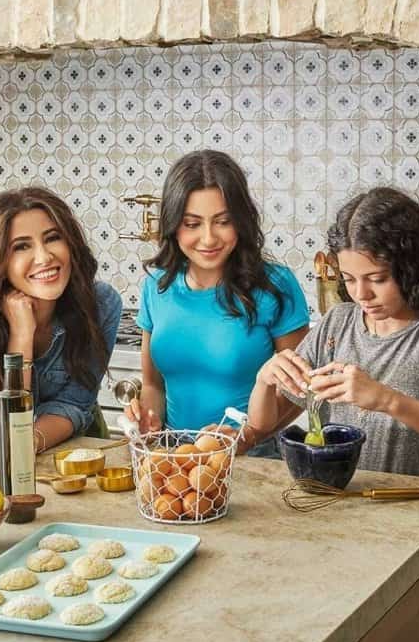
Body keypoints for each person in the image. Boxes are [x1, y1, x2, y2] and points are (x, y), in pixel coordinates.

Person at [247, 187, 419, 477]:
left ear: (412, 266)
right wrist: (264, 381)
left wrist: (387, 400)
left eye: (377, 279)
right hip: (335, 510)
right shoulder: (336, 324)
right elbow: (263, 424)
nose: (361, 294)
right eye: (348, 279)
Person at [126, 150, 310, 457]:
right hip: (175, 460)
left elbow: (299, 390)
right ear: (173, 224)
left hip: (255, 458)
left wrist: (247, 436)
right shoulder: (157, 286)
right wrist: (147, 421)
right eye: (192, 224)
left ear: (241, 220)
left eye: (222, 221)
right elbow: (153, 386)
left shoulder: (275, 286)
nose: (208, 238)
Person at [0, 187, 124, 452]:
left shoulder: (101, 304)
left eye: (52, 238)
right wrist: (21, 336)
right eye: (21, 246)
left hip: (73, 452)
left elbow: (76, 403)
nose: (44, 256)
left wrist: (25, 445)